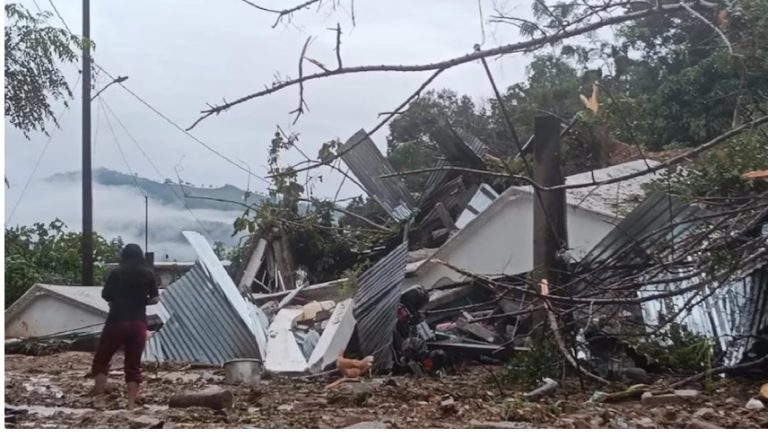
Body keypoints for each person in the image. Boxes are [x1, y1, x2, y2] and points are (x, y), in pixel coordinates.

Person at [89, 244, 159, 409]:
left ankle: (99, 400)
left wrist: (118, 301)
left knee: (102, 359)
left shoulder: (117, 273)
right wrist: (141, 301)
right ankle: (130, 405)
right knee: (133, 365)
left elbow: (106, 295)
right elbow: (155, 299)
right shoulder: (148, 274)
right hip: (138, 323)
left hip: (117, 321)